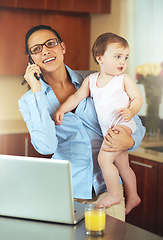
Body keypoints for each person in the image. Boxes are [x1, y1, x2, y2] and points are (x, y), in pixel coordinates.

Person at [18, 25, 145, 221]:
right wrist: (37, 90)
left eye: (51, 43)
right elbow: (46, 147)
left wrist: (128, 141)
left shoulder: (95, 79)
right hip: (67, 193)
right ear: (31, 59)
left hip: (108, 189)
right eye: (36, 49)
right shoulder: (30, 101)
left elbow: (134, 122)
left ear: (62, 47)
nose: (45, 51)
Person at [53, 32, 143, 214]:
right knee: (123, 166)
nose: (122, 62)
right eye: (117, 56)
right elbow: (77, 96)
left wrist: (131, 111)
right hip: (108, 130)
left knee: (103, 159)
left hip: (122, 126)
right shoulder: (91, 80)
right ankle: (133, 195)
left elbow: (137, 98)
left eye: (125, 57)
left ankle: (114, 194)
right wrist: (62, 109)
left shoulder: (123, 80)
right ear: (100, 58)